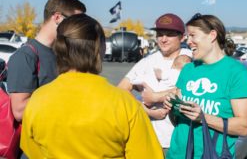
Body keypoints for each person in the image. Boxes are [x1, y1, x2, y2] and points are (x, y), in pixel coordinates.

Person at [20, 14, 164, 158]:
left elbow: (33, 151)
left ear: (58, 48)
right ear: (99, 49)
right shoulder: (125, 104)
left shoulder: (37, 100)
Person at [164, 13, 247, 158]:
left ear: (212, 35)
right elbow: (177, 121)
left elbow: (244, 127)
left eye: (193, 35)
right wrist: (171, 107)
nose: (188, 41)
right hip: (177, 154)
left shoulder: (237, 73)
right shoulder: (188, 69)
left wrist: (203, 117)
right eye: (187, 37)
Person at [118, 13, 192, 155]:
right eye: (160, 34)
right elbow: (121, 90)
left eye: (169, 34)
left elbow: (189, 90)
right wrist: (146, 111)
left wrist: (155, 97)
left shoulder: (191, 59)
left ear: (182, 37)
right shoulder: (147, 61)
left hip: (182, 143)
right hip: (150, 140)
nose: (163, 39)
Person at [7, 0, 86, 122]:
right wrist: (64, 93)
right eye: (75, 21)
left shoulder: (62, 54)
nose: (78, 27)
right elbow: (19, 111)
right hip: (37, 140)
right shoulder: (25, 56)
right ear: (57, 17)